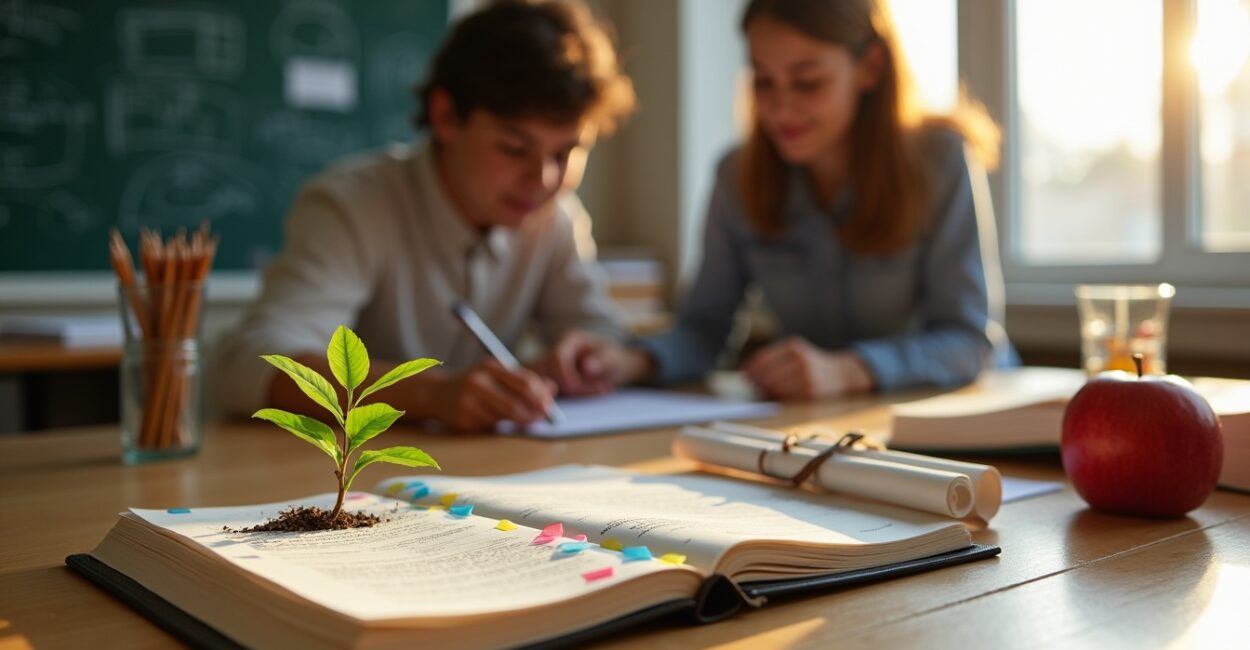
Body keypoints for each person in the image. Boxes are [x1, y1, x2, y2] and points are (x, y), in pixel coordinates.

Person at [545, 0, 1016, 401]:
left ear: (870, 67)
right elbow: (704, 327)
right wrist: (631, 360)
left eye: (808, 82)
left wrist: (848, 369)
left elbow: (969, 341)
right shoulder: (738, 176)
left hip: (953, 423)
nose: (780, 108)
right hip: (824, 429)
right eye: (763, 81)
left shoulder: (940, 159)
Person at [214, 0, 636, 430]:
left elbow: (600, 331)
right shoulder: (354, 205)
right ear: (446, 116)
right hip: (347, 482)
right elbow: (248, 365)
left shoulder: (555, 217)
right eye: (514, 149)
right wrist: (428, 394)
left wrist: (592, 356)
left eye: (567, 152)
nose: (543, 179)